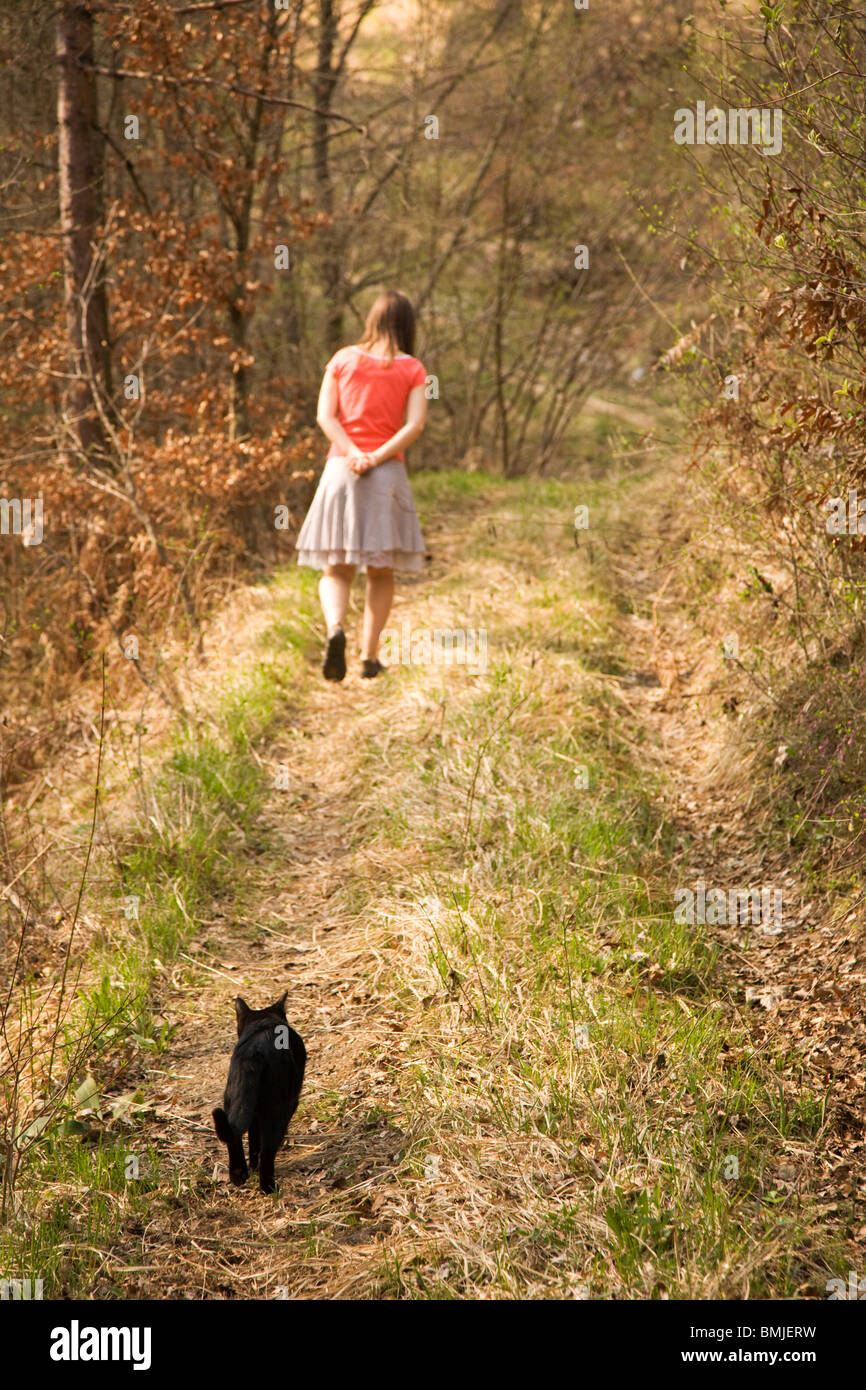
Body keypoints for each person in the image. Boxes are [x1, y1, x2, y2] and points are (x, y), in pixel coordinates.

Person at [296, 289, 429, 681]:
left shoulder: (341, 359)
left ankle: (336, 628)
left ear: (372, 318)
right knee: (380, 571)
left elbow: (325, 416)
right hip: (385, 475)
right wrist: (375, 457)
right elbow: (415, 425)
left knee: (336, 568)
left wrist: (353, 452)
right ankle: (369, 658)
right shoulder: (413, 369)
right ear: (407, 324)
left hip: (341, 470)